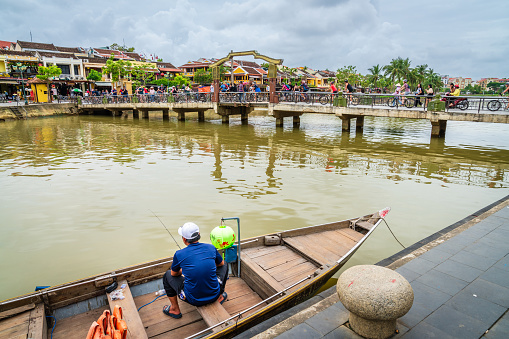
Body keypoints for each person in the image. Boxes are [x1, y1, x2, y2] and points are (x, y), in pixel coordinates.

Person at [162, 222, 228, 318]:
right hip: (214, 294)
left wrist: (182, 271)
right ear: (199, 235)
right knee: (224, 264)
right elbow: (221, 264)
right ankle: (220, 296)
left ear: (184, 239)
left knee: (167, 275)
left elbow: (174, 274)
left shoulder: (179, 254)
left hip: (193, 299)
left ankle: (175, 309)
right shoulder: (211, 247)